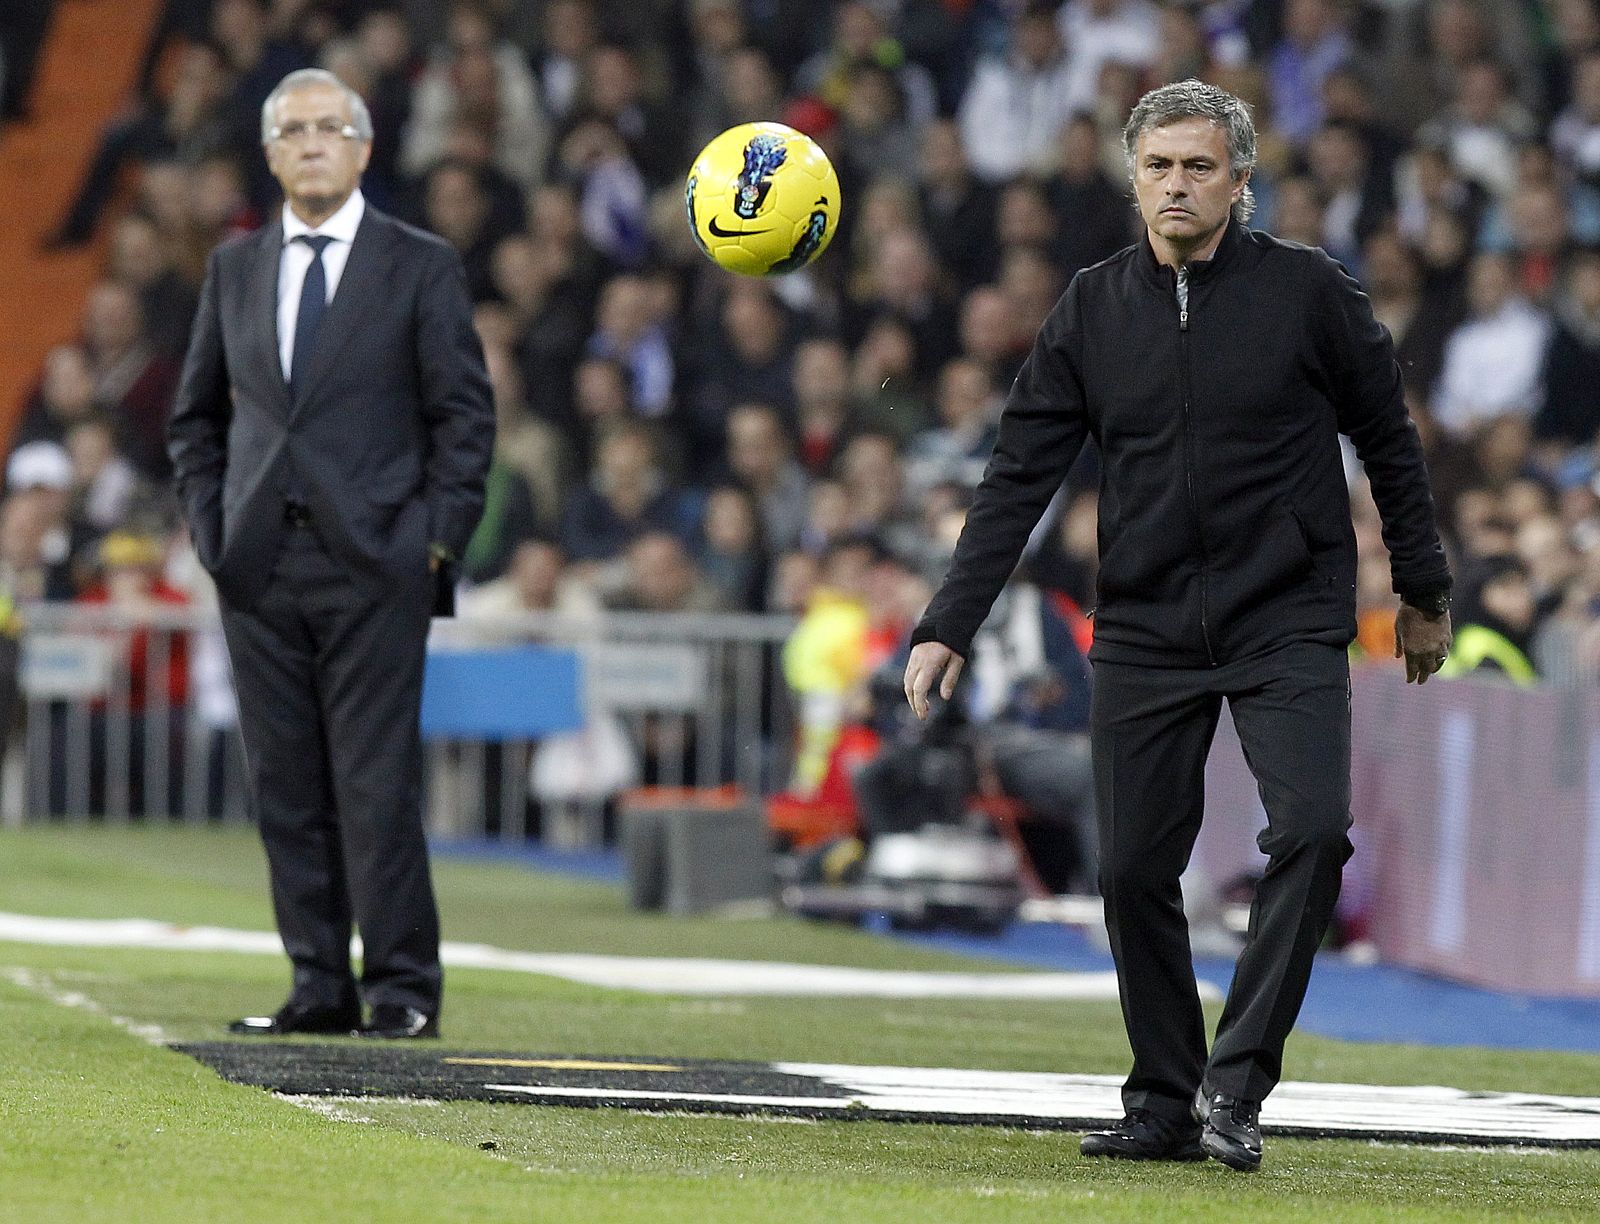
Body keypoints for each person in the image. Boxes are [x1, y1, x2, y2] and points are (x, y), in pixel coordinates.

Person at [903, 80, 1454, 1173]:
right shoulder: (1090, 308)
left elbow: (1389, 440)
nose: (1176, 186)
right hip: (1147, 625)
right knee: (1128, 873)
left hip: (1285, 615)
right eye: (1158, 166)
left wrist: (1423, 591)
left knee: (1312, 833)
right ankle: (1163, 1098)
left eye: (1199, 167)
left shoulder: (1310, 292)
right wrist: (948, 622)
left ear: (1240, 182)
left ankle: (1235, 1085)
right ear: (1132, 178)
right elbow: (1017, 477)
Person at [167, 68, 493, 1040]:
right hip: (258, 566)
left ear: (363, 148)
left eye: (329, 127)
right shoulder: (233, 269)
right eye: (293, 130)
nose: (311, 143)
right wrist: (214, 533)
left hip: (379, 565)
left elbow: (464, 418)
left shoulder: (420, 265)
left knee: (374, 784)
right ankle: (317, 984)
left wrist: (435, 543)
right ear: (270, 155)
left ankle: (402, 987)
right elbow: (195, 422)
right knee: (284, 786)